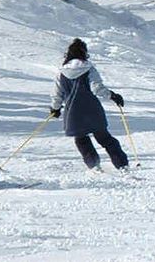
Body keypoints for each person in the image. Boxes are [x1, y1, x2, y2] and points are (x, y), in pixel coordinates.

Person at [48, 39, 129, 170]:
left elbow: (57, 94)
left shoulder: (61, 72)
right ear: (84, 52)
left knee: (81, 140)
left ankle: (94, 166)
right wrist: (112, 95)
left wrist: (55, 109)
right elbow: (97, 88)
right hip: (92, 110)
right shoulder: (89, 68)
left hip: (73, 113)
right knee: (105, 138)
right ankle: (122, 165)